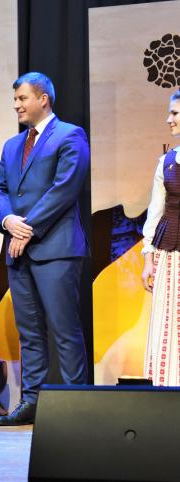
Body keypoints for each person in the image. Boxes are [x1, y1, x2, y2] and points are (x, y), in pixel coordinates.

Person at [0, 72, 89, 425]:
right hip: (19, 252)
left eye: (23, 98)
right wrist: (8, 221)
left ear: (43, 99)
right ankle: (31, 402)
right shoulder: (12, 145)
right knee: (29, 332)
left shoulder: (70, 135)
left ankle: (77, 407)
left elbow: (64, 189)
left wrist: (26, 228)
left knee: (65, 329)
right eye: (15, 100)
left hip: (55, 248)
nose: (17, 105)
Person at [142, 90, 180, 386]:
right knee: (168, 321)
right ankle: (167, 387)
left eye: (175, 113)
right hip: (170, 253)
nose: (169, 119)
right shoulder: (166, 162)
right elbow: (155, 212)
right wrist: (148, 258)